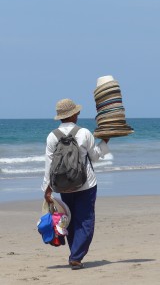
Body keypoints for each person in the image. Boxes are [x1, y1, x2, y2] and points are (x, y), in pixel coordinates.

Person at [42, 98, 110, 269]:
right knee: (85, 219)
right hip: (86, 184)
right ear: (75, 114)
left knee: (70, 219)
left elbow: (49, 166)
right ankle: (76, 256)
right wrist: (105, 142)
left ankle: (75, 253)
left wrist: (47, 189)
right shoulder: (84, 133)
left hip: (64, 186)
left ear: (60, 116)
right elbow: (95, 156)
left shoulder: (52, 136)